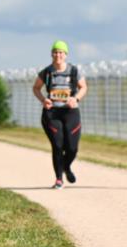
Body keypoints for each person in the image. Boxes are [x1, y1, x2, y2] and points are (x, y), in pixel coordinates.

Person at [32, 41, 87, 189]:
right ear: (52, 54)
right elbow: (36, 88)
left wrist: (75, 99)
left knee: (72, 148)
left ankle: (66, 167)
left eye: (61, 52)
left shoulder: (74, 71)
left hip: (70, 112)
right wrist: (44, 100)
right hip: (52, 113)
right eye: (55, 52)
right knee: (57, 145)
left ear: (66, 55)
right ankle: (58, 179)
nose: (58, 55)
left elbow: (83, 87)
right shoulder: (47, 72)